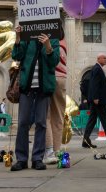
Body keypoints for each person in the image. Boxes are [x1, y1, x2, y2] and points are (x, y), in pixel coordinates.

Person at [10, 26, 60, 171]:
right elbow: (17, 55)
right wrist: (18, 37)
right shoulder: (27, 36)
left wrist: (48, 46)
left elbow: (54, 62)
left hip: (43, 88)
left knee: (41, 123)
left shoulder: (53, 37)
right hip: (27, 86)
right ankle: (22, 159)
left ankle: (37, 158)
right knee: (23, 123)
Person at [81, 54, 106, 149]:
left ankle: (85, 140)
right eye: (104, 58)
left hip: (97, 100)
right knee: (105, 120)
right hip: (98, 100)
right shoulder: (97, 69)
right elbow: (94, 84)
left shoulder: (97, 69)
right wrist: (95, 97)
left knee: (92, 120)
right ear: (98, 59)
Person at [44, 35, 68, 164]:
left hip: (48, 76)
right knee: (58, 115)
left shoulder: (48, 39)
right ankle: (57, 149)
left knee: (46, 115)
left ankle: (49, 150)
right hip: (62, 78)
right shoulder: (63, 41)